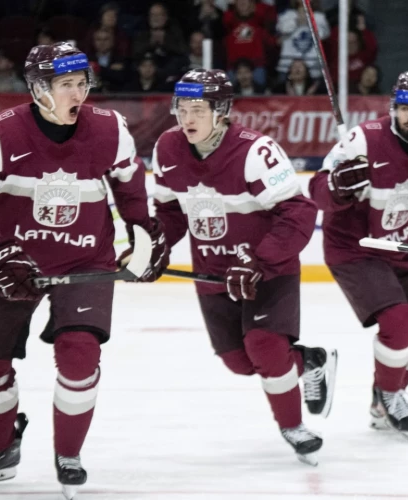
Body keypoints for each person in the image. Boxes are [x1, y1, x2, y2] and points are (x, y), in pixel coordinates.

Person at [0, 42, 169, 499]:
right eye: (66, 85)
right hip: (12, 262)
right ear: (38, 88)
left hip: (86, 259)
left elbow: (129, 185)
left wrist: (143, 231)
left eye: (82, 83)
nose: (78, 94)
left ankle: (68, 454)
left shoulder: (110, 129)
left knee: (80, 351)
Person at [151, 69, 336, 465]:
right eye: (181, 109)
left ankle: (293, 426)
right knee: (239, 363)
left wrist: (259, 260)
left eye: (197, 109)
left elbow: (298, 213)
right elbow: (169, 211)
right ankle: (311, 361)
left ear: (221, 111)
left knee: (264, 348)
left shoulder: (255, 151)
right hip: (212, 274)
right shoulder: (167, 148)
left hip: (268, 271)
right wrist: (156, 247)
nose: (187, 119)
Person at [310, 71, 408, 433]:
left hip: (401, 249)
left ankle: (385, 397)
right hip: (355, 248)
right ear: (392, 108)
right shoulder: (363, 139)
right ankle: (390, 397)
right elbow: (316, 191)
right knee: (400, 323)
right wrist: (337, 186)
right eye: (403, 108)